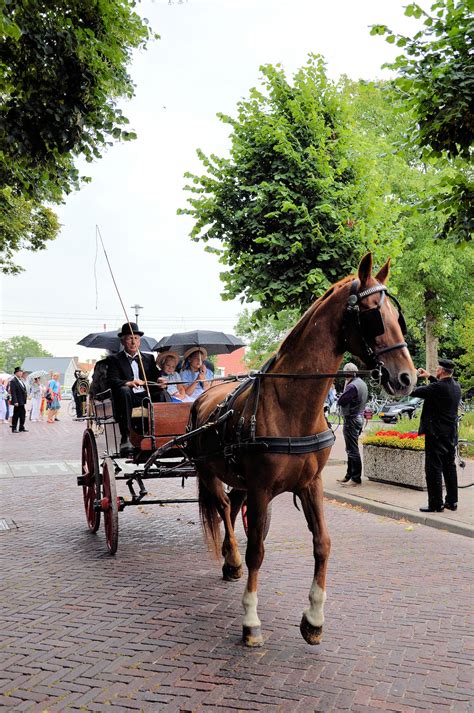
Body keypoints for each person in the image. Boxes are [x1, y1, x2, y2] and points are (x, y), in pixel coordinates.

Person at [107, 322, 170, 456]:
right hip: (127, 397)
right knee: (124, 391)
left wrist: (160, 381)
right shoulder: (114, 359)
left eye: (136, 338)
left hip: (145, 395)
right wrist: (129, 383)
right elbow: (112, 381)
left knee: (162, 393)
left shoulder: (148, 358)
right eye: (130, 338)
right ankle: (126, 437)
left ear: (140, 341)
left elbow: (155, 378)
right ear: (123, 341)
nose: (133, 341)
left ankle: (164, 434)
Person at [413, 358, 462, 513]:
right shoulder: (456, 386)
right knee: (449, 467)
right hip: (450, 434)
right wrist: (429, 377)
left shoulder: (437, 387)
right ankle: (452, 502)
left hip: (435, 434)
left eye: (437, 369)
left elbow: (414, 391)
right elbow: (440, 387)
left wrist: (413, 376)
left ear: (441, 371)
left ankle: (436, 504)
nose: (435, 370)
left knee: (433, 468)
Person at [336, 362, 368, 486]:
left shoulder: (352, 386)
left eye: (345, 373)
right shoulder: (362, 383)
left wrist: (345, 386)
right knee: (351, 448)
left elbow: (341, 400)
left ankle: (355, 477)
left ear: (347, 373)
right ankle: (349, 475)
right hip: (359, 418)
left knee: (352, 449)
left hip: (351, 419)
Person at [9, 367, 29, 433]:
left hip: (22, 401)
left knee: (22, 414)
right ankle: (14, 428)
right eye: (20, 372)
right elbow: (13, 392)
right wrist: (15, 401)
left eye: (21, 372)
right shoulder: (13, 381)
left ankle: (21, 427)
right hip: (17, 401)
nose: (21, 373)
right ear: (16, 373)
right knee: (16, 415)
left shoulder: (21, 380)